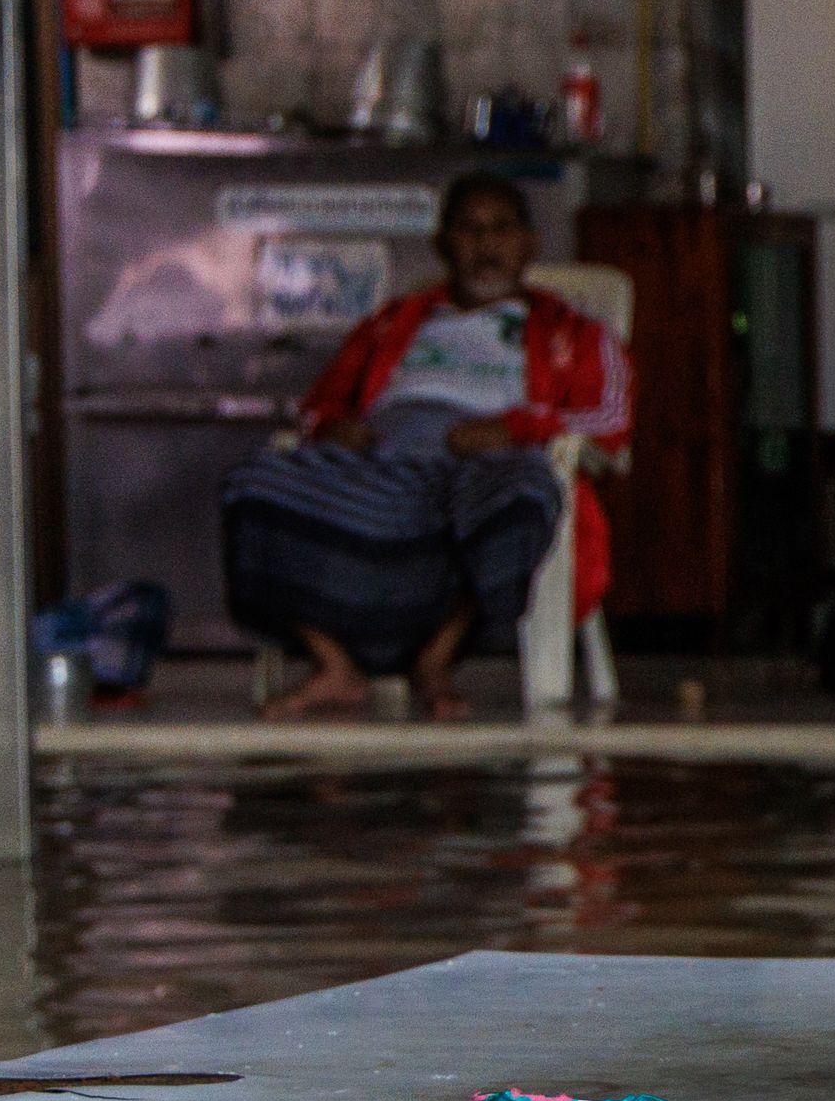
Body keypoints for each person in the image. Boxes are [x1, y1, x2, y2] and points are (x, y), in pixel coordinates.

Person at [219, 171, 629, 720]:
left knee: (523, 496)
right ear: (443, 246)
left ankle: (434, 663)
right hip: (380, 467)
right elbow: (317, 405)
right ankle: (334, 664)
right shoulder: (395, 322)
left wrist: (512, 429)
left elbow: (609, 420)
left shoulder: (574, 331)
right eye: (469, 231)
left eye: (502, 229)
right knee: (254, 484)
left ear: (529, 243)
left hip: (485, 463)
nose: (486, 245)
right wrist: (332, 428)